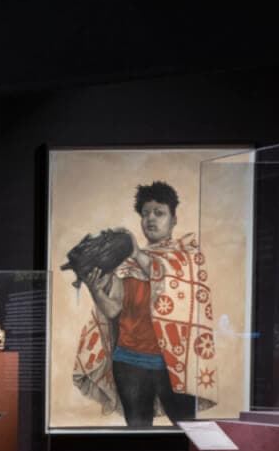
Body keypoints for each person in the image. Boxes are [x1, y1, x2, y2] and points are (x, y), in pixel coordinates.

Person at [66, 180, 220, 428]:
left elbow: (167, 279)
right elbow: (113, 309)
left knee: (188, 433)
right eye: (145, 213)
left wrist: (136, 252)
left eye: (159, 213)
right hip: (129, 363)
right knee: (137, 433)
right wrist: (94, 287)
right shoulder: (125, 264)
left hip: (175, 365)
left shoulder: (185, 256)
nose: (151, 219)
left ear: (174, 219)